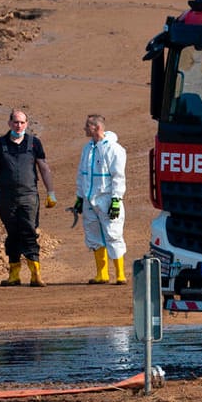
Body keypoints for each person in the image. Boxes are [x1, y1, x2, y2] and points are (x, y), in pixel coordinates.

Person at [0, 109, 58, 287]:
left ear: (27, 124)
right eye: (16, 122)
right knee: (12, 233)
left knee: (29, 232)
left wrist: (50, 192)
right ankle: (14, 275)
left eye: (22, 122)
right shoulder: (0, 144)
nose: (19, 125)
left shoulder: (34, 143)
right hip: (6, 196)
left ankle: (35, 274)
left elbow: (44, 168)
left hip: (29, 195)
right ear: (9, 123)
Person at [73, 114, 127, 285]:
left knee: (113, 233)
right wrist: (80, 198)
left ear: (95, 127)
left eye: (87, 126)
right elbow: (82, 174)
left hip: (106, 199)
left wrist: (116, 200)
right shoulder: (88, 149)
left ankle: (120, 274)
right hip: (90, 200)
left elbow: (118, 176)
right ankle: (102, 274)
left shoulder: (113, 149)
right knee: (94, 234)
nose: (84, 129)